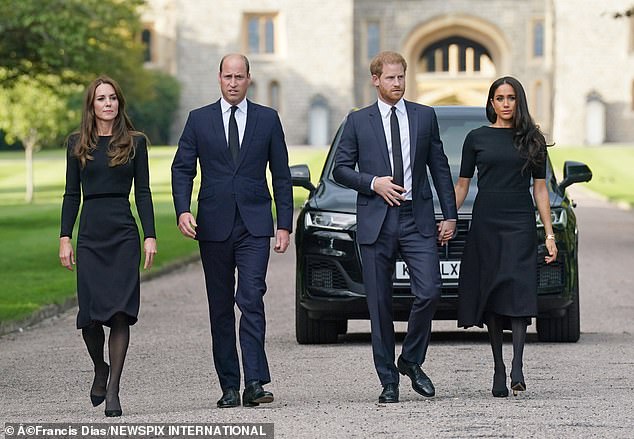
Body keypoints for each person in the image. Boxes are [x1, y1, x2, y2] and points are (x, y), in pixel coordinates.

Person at [333, 51, 457, 404]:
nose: (398, 84)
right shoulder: (358, 121)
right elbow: (340, 169)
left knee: (431, 291)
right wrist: (373, 183)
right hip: (376, 221)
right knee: (380, 306)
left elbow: (439, 166)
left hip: (415, 220)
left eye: (401, 77)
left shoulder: (424, 116)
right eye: (390, 78)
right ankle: (388, 380)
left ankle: (411, 360)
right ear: (375, 80)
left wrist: (448, 213)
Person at [171, 54, 293, 409]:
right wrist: (182, 210)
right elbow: (182, 170)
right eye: (229, 76)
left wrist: (283, 224)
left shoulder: (268, 119)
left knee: (251, 298)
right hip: (214, 225)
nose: (234, 82)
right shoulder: (199, 120)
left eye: (240, 76)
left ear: (249, 79)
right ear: (219, 78)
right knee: (221, 307)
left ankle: (254, 382)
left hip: (255, 225)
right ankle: (228, 385)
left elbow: (282, 176)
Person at [59, 76, 157, 417]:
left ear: (119, 103)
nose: (108, 103)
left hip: (123, 234)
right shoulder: (77, 144)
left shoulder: (135, 143)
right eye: (101, 98)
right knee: (89, 318)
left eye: (113, 98)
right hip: (90, 235)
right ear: (92, 105)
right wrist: (64, 238)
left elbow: (143, 192)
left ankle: (113, 388)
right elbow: (71, 194)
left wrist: (150, 235)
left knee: (119, 313)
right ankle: (100, 367)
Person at [454, 76, 557, 398]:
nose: (506, 103)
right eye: (499, 98)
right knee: (494, 294)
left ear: (519, 101)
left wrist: (549, 234)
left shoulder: (533, 140)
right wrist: (447, 217)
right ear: (491, 103)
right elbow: (462, 185)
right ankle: (498, 366)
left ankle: (518, 365)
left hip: (520, 222)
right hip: (487, 222)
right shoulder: (476, 138)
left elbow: (540, 190)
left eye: (511, 97)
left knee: (518, 290)